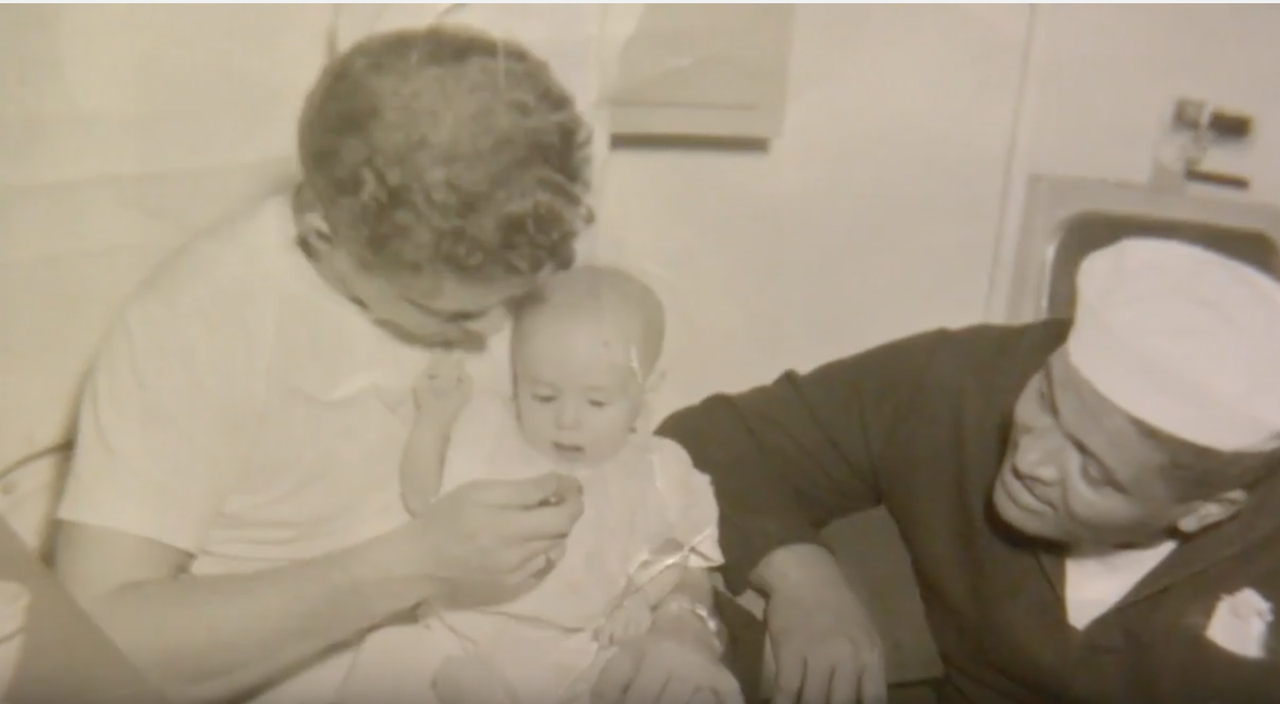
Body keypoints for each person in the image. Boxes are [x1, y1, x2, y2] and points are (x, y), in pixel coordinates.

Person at [51, 24, 597, 704]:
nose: (494, 333)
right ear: (324, 237)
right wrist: (415, 563)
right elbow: (95, 649)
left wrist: (678, 615)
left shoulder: (504, 244)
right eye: (450, 316)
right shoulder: (204, 319)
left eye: (513, 301)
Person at [657, 237, 1280, 704]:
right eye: (1048, 402)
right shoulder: (968, 380)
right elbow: (706, 441)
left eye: (1093, 470)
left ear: (1208, 510)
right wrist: (803, 579)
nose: (1030, 460)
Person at [338, 265, 739, 704]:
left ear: (647, 389)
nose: (567, 420)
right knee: (390, 655)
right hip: (458, 627)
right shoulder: (489, 428)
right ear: (516, 377)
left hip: (577, 646)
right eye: (543, 395)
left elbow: (674, 553)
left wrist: (639, 601)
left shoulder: (658, 467)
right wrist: (433, 421)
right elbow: (422, 497)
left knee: (629, 680)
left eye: (597, 401)